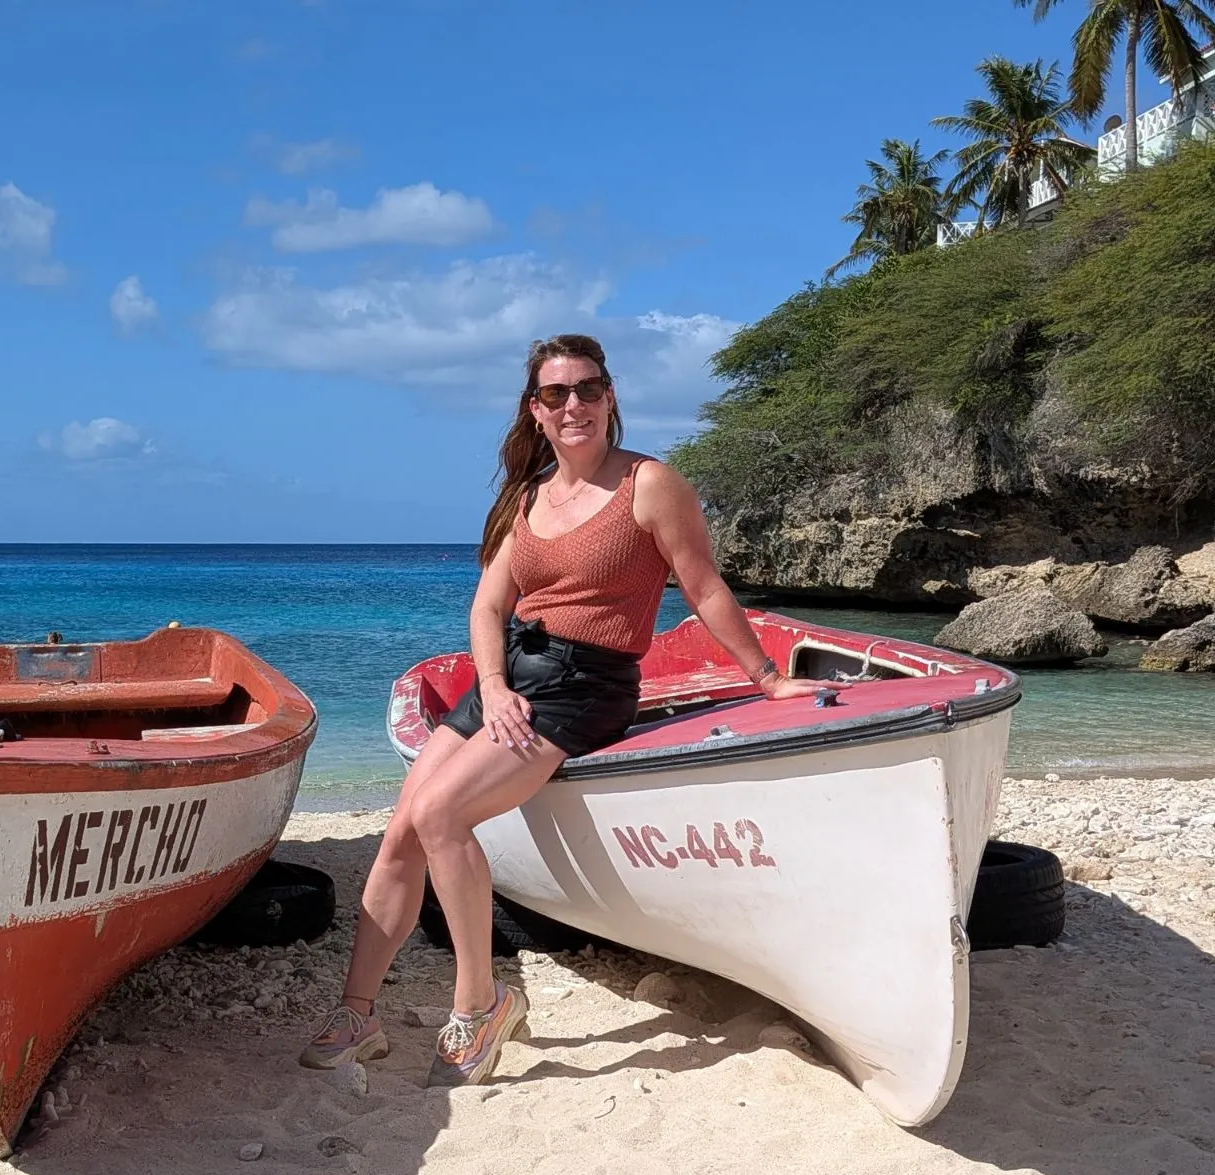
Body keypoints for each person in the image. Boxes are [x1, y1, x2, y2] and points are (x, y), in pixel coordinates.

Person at [299, 333, 832, 1087]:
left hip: (586, 686)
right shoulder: (527, 497)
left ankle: (481, 1005)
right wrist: (491, 686)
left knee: (442, 816)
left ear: (609, 397)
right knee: (402, 833)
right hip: (511, 679)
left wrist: (768, 679)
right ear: (536, 410)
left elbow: (703, 586)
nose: (573, 404)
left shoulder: (650, 485)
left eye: (587, 389)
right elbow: (488, 607)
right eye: (556, 394)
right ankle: (359, 1014)